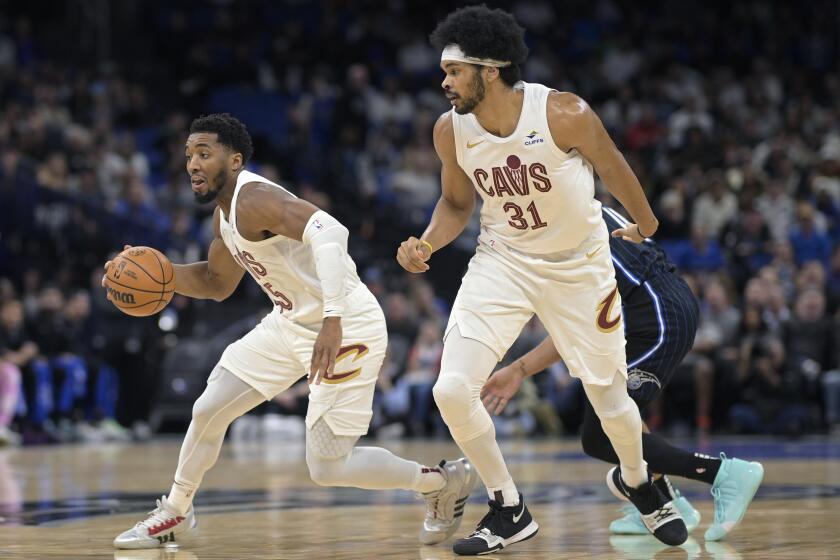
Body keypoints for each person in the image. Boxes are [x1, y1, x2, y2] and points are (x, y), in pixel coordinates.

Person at [108, 114, 477, 549]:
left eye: (204, 154)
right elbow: (215, 282)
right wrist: (157, 273)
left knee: (327, 467)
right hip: (290, 324)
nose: (192, 163)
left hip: (347, 325)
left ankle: (439, 483)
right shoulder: (225, 217)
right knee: (209, 407)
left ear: (235, 159)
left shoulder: (255, 198)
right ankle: (175, 512)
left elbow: (331, 232)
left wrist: (333, 318)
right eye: (189, 155)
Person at [398, 6, 687, 554]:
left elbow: (613, 164)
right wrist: (427, 242)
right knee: (452, 389)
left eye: (454, 71)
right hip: (501, 260)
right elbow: (456, 203)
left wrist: (645, 221)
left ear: (491, 70)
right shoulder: (449, 130)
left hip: (578, 267)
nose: (443, 82)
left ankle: (638, 479)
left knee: (609, 396)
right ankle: (509, 507)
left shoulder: (563, 113)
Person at [482, 206, 765, 542]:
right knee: (618, 420)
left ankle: (725, 474)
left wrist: (519, 368)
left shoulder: (555, 230)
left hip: (657, 317)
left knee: (602, 434)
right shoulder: (581, 203)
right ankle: (668, 501)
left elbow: (575, 324)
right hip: (654, 306)